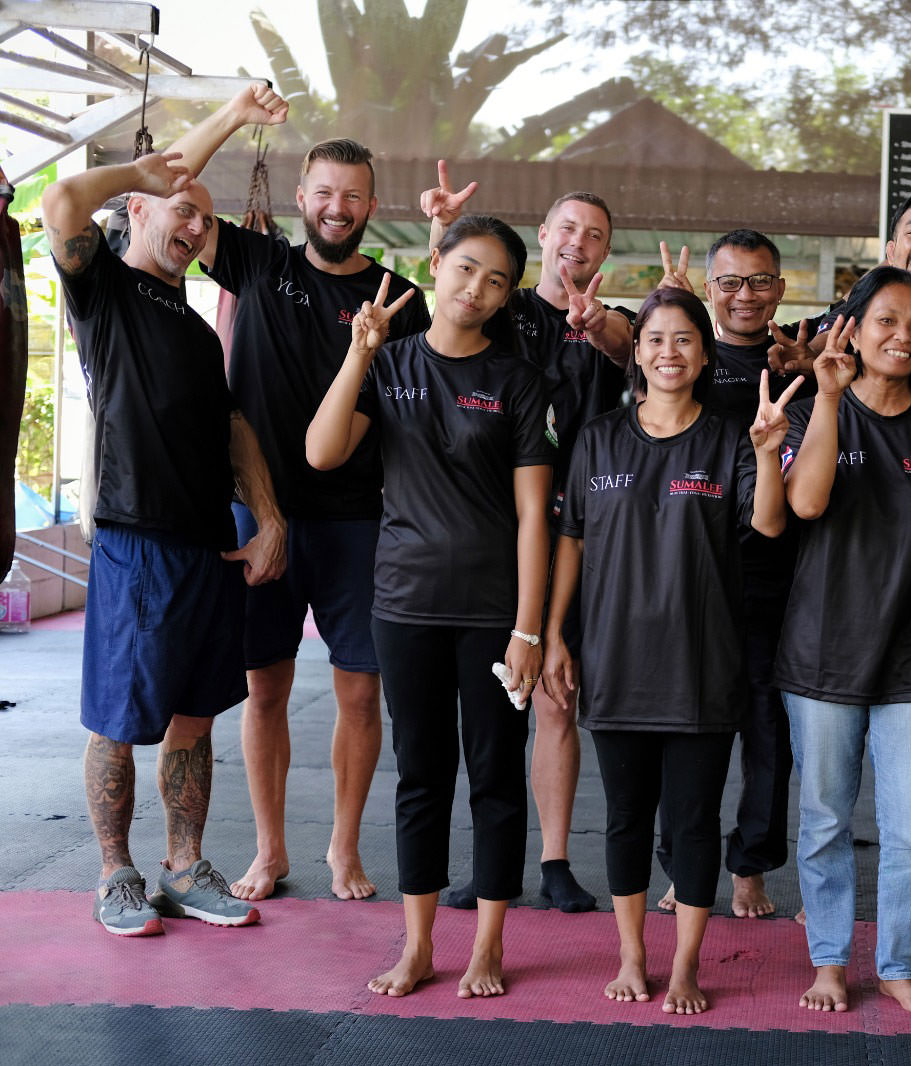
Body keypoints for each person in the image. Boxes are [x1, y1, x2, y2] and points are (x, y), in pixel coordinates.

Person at [166, 91, 430, 903]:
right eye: (323, 192)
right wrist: (234, 115)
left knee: (358, 691)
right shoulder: (260, 262)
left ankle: (344, 850)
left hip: (357, 519)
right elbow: (174, 187)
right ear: (300, 198)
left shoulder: (400, 299)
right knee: (266, 688)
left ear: (371, 206)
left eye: (352, 194)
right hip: (258, 512)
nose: (337, 207)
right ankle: (271, 849)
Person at [43, 113, 287, 935]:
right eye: (180, 209)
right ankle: (116, 873)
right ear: (139, 211)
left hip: (209, 543)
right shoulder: (103, 292)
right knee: (120, 716)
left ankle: (184, 867)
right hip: (135, 538)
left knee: (195, 714)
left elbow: (232, 430)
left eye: (204, 218)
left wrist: (270, 518)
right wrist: (158, 165)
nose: (193, 226)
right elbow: (61, 197)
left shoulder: (190, 324)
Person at [306, 215, 551, 998]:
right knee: (421, 775)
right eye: (466, 268)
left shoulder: (518, 382)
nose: (475, 289)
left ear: (507, 294)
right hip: (403, 603)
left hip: (490, 611)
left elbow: (534, 517)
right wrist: (358, 353)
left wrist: (528, 629)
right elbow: (322, 451)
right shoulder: (392, 362)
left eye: (497, 280)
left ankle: (487, 944)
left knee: (494, 775)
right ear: (436, 264)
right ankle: (416, 945)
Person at [543, 286, 796, 1013]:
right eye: (655, 339)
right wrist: (557, 633)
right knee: (625, 818)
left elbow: (771, 527)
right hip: (617, 660)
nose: (668, 353)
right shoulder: (598, 438)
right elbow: (574, 540)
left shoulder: (728, 438)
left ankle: (685, 964)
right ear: (637, 351)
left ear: (704, 354)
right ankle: (631, 955)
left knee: (691, 822)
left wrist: (770, 454)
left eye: (684, 339)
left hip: (700, 664)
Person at [422, 166, 635, 912]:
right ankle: (490, 864)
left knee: (556, 696)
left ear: (607, 250)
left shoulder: (611, 323)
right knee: (487, 710)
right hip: (498, 532)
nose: (578, 241)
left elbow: (628, 348)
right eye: (567, 227)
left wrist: (598, 322)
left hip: (584, 533)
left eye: (596, 234)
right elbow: (445, 305)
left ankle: (552, 860)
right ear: (544, 236)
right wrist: (439, 231)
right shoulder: (502, 308)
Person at [778, 265, 911, 1016]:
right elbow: (808, 500)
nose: (904, 336)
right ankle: (829, 960)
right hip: (821, 652)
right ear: (852, 328)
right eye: (887, 321)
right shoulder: (814, 408)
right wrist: (828, 396)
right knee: (825, 817)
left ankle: (896, 960)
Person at [652, 230, 815, 919]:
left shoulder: (803, 366)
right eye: (729, 283)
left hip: (775, 573)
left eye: (758, 282)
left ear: (779, 288)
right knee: (679, 724)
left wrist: (812, 373)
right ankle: (679, 863)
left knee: (766, 731)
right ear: (709, 290)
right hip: (688, 572)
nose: (744, 295)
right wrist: (669, 308)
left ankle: (750, 866)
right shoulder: (681, 355)